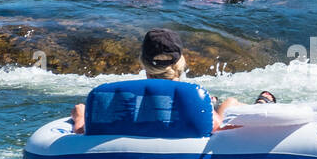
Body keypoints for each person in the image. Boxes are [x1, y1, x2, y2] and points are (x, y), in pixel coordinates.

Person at [71, 29, 236, 133]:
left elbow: (81, 132)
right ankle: (261, 99)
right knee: (229, 102)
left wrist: (79, 116)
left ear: (143, 63)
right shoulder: (192, 96)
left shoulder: (115, 97)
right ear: (180, 63)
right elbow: (217, 128)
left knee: (81, 109)